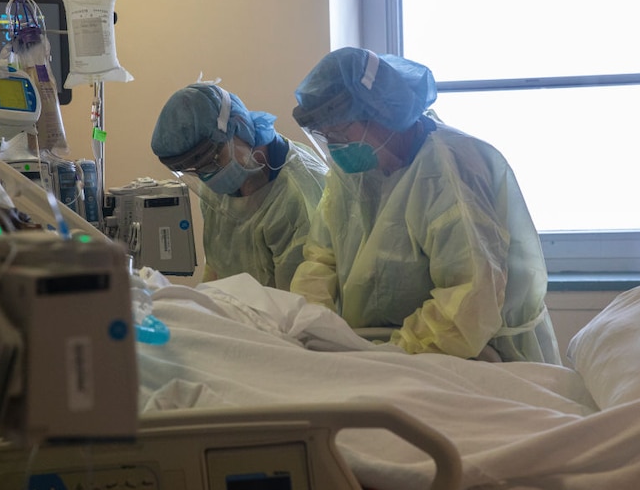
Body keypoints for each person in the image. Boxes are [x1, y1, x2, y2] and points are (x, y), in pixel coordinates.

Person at [289, 47, 560, 363]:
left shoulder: (450, 173)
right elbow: (322, 257)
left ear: (379, 113)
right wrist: (315, 324)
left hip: (473, 357)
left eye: (339, 131)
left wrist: (395, 353)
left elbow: (470, 297)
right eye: (326, 135)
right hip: (385, 355)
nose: (335, 146)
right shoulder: (356, 173)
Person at [151, 81, 328, 291]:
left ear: (238, 127)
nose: (206, 175)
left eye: (211, 161)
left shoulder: (296, 192)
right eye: (195, 170)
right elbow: (216, 267)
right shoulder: (217, 185)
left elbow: (298, 300)